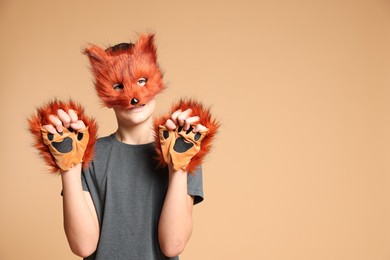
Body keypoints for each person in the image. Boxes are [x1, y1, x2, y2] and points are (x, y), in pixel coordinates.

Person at [29, 33, 218, 260]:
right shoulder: (86, 153)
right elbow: (83, 246)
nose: (133, 96)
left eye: (141, 81)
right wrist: (69, 166)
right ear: (104, 92)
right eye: (119, 86)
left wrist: (178, 166)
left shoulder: (186, 146)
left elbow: (173, 245)